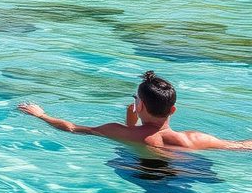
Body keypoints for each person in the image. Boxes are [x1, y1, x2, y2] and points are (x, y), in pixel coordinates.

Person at [18, 71, 252, 151]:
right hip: (189, 170)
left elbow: (72, 128)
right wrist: (134, 125)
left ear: (139, 106)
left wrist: (41, 115)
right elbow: (242, 146)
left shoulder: (120, 132)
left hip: (146, 174)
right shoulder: (198, 138)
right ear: (173, 109)